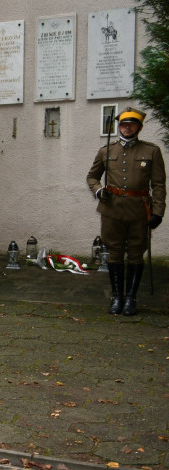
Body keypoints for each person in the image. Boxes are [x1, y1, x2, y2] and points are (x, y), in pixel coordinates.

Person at [86, 108, 166, 316]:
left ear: (139, 127)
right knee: (114, 253)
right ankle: (117, 297)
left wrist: (158, 211)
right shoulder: (106, 151)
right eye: (123, 124)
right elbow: (92, 177)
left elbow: (158, 184)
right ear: (118, 126)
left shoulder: (151, 151)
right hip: (112, 211)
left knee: (135, 253)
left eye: (131, 124)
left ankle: (131, 297)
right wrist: (99, 191)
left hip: (139, 211)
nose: (127, 127)